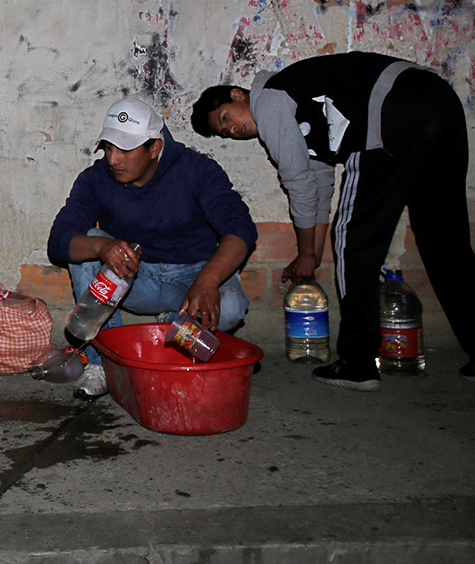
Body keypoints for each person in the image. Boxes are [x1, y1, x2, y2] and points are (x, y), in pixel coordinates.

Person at [191, 51, 475, 391]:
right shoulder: (304, 110)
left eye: (225, 117)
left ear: (239, 94)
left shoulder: (270, 100)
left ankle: (357, 363)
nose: (233, 129)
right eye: (226, 132)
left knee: (354, 240)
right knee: (445, 240)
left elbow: (296, 180)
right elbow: (318, 185)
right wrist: (308, 254)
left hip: (393, 106)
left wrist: (308, 254)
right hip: (438, 100)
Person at [48, 97, 256, 397]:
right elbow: (58, 240)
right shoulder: (95, 180)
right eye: (108, 147)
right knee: (87, 246)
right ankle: (102, 363)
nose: (113, 159)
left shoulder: (197, 171)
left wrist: (208, 280)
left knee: (233, 308)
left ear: (154, 147)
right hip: (132, 280)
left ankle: (170, 330)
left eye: (125, 150)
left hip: (191, 280)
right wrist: (104, 247)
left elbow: (240, 228)